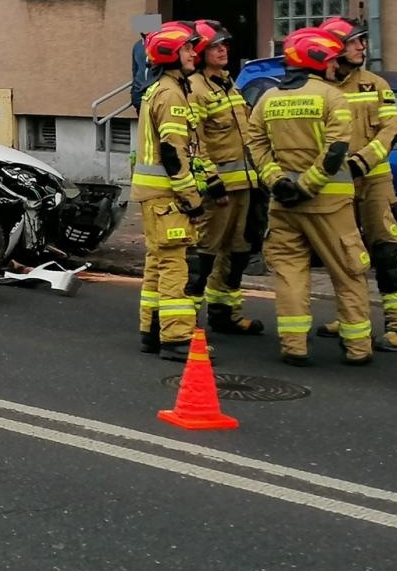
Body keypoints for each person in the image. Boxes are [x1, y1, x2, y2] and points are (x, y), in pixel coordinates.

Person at [248, 27, 373, 367]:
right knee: (348, 272)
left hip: (282, 206)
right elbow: (336, 151)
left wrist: (277, 182)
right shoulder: (333, 98)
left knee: (289, 275)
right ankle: (358, 347)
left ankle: (294, 346)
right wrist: (308, 185)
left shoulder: (267, 99)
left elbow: (255, 145)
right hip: (328, 204)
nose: (336, 65)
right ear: (317, 60)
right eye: (332, 59)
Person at [318, 16, 397, 351]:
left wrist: (363, 161)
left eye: (362, 40)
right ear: (334, 47)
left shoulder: (376, 85)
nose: (362, 46)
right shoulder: (321, 88)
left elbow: (389, 131)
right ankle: (350, 317)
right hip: (337, 185)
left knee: (386, 249)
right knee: (345, 254)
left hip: (373, 181)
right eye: (354, 41)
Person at [184, 19, 265, 336]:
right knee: (203, 255)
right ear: (202, 52)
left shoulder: (229, 84)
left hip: (244, 187)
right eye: (216, 45)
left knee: (239, 252)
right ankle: (185, 319)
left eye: (225, 45)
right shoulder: (196, 91)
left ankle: (224, 313)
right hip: (217, 191)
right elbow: (195, 142)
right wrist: (213, 181)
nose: (223, 50)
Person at [132, 21, 204, 361]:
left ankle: (151, 330)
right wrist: (192, 199)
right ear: (172, 54)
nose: (194, 53)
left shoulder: (157, 89)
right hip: (167, 195)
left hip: (152, 194)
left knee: (157, 263)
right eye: (188, 48)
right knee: (175, 265)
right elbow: (174, 153)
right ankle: (176, 338)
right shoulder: (172, 93)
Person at [129, 33, 151, 112]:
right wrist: (134, 91)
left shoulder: (160, 44)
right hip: (139, 93)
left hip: (154, 93)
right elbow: (135, 69)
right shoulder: (137, 46)